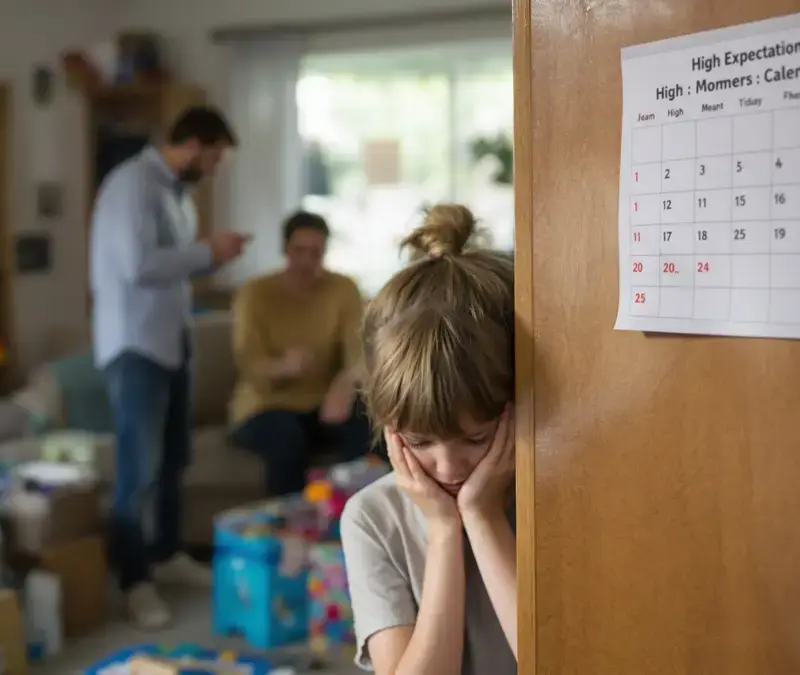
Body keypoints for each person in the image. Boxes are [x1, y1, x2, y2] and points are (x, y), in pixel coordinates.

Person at [340, 204, 517, 674]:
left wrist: (482, 516)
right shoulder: (373, 518)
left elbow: (568, 659)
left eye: (476, 438)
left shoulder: (556, 499)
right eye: (420, 443)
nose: (449, 467)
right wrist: (444, 531)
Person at [90, 106, 249, 629]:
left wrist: (206, 256)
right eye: (216, 156)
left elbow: (171, 270)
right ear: (194, 145)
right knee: (137, 469)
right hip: (134, 348)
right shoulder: (130, 185)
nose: (216, 167)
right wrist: (208, 253)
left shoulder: (176, 194)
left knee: (175, 459)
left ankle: (168, 552)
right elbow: (136, 266)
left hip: (172, 342)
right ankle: (134, 581)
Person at [229, 210, 370, 496]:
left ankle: (353, 518)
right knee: (286, 438)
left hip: (324, 405)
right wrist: (282, 367)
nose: (306, 261)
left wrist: (345, 383)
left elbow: (360, 352)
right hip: (265, 407)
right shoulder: (255, 293)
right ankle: (289, 527)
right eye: (299, 251)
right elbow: (248, 362)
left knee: (368, 425)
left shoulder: (343, 289)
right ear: (284, 249)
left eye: (315, 252)